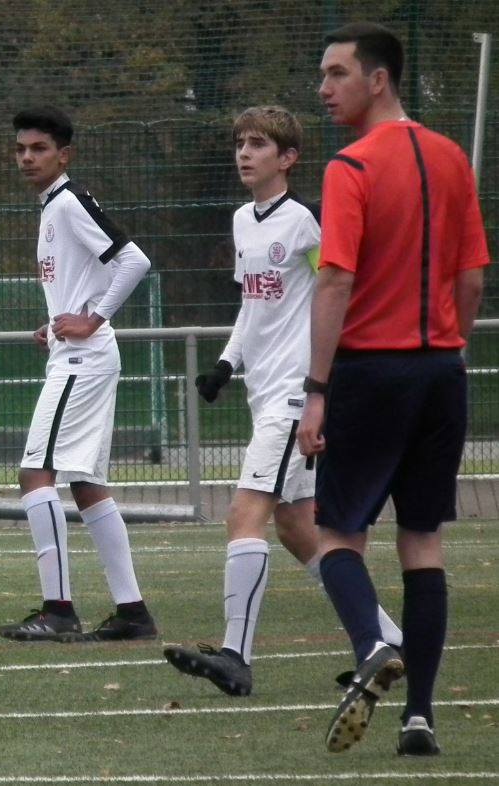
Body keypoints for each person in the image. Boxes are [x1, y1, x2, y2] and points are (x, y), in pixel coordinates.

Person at [296, 22, 489, 755]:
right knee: (423, 541)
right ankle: (419, 718)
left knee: (337, 533)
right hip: (440, 371)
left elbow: (334, 279)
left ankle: (371, 644)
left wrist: (317, 388)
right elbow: (472, 277)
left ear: (378, 80)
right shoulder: (451, 159)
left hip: (370, 371)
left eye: (337, 73)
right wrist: (450, 347)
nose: (323, 87)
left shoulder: (350, 166)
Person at [163, 106, 401, 696]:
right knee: (297, 527)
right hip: (264, 394)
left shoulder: (307, 223)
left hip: (296, 397)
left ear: (288, 158)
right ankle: (390, 640)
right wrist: (227, 363)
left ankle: (235, 656)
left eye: (259, 144)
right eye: (240, 143)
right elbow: (252, 306)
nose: (245, 153)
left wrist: (327, 380)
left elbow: (340, 290)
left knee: (243, 516)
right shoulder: (243, 220)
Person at [0, 105, 158, 642]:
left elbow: (133, 261)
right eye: (20, 149)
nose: (26, 158)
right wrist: (58, 322)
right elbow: (84, 280)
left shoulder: (68, 202)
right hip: (79, 355)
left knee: (34, 473)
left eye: (38, 149)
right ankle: (133, 613)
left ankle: (58, 609)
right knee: (86, 484)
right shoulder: (52, 208)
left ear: (63, 155)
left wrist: (92, 319)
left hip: (83, 360)